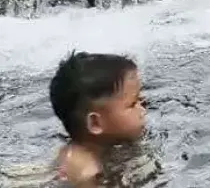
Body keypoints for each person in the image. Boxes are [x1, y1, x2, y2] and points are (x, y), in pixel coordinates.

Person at [49, 52, 147, 187]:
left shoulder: (89, 147)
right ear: (95, 123)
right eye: (132, 104)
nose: (143, 110)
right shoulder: (88, 174)